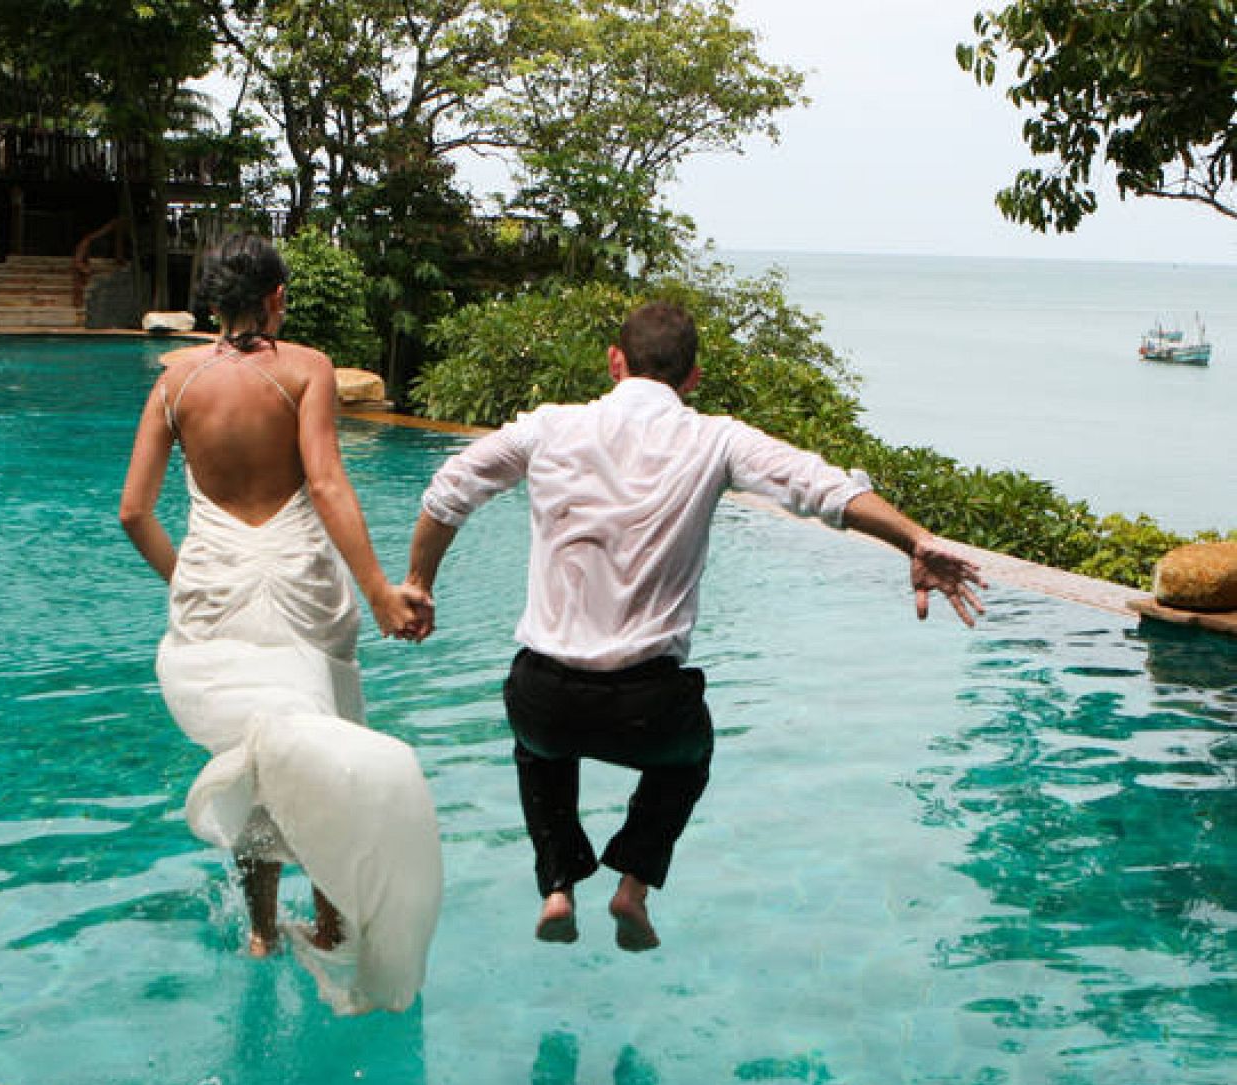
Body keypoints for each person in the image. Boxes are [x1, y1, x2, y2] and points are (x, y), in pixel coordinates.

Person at [405, 301, 985, 952]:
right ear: (692, 378)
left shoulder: (549, 428)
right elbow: (823, 489)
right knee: (690, 755)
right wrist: (914, 539)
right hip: (649, 710)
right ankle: (632, 887)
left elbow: (449, 491)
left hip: (547, 697)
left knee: (538, 746)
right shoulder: (717, 440)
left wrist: (420, 583)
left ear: (615, 362)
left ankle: (558, 887)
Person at [120, 235, 437, 997]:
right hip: (300, 595)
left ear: (212, 303)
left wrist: (188, 581)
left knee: (254, 759)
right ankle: (329, 924)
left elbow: (133, 511)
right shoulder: (304, 369)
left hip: (213, 595)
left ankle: (261, 932)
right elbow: (325, 484)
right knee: (323, 751)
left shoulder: (173, 382)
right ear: (276, 299)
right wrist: (379, 591)